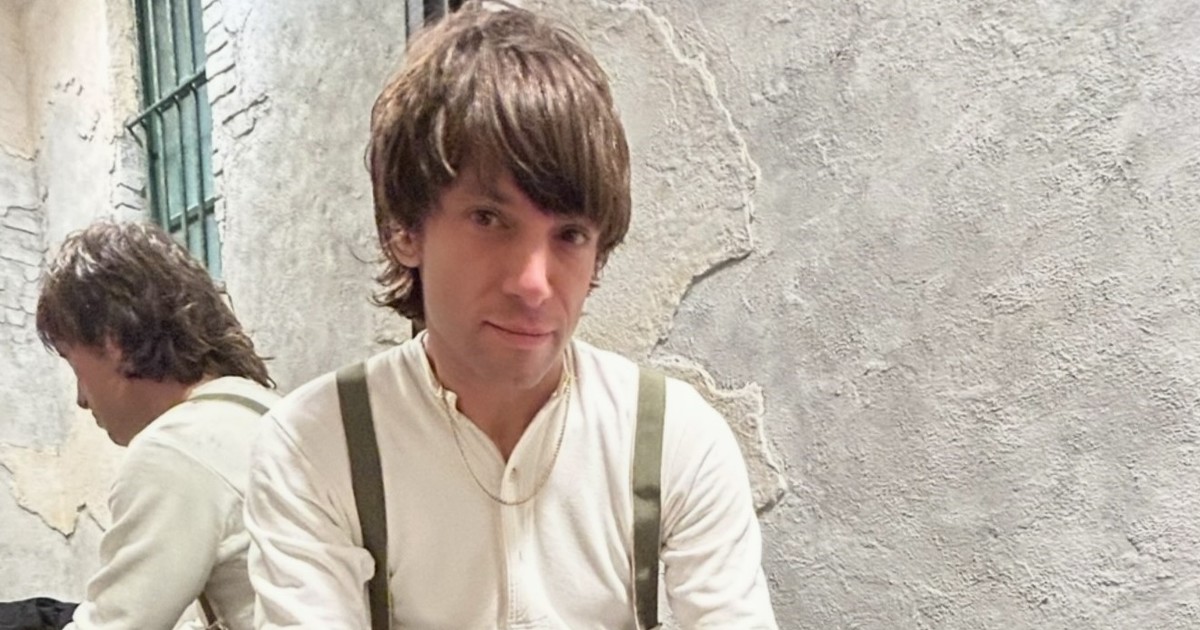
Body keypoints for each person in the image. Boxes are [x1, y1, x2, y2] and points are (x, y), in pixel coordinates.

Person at [244, 2, 777, 628]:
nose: (533, 283)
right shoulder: (317, 445)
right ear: (404, 230)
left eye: (570, 235)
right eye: (489, 219)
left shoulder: (674, 439)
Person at [34, 221, 279, 630]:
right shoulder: (258, 410)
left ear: (112, 342)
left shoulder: (175, 448)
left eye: (74, 365)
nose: (81, 398)